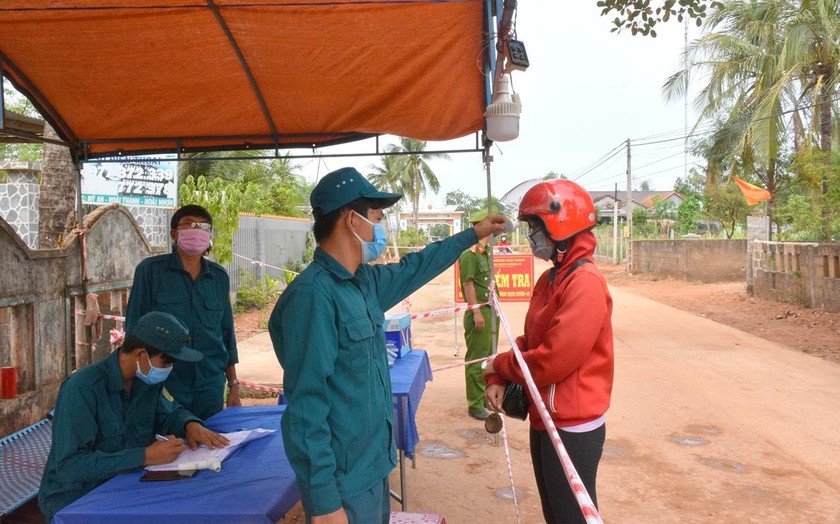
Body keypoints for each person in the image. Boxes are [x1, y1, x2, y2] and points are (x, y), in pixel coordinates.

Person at [269, 167, 505, 524]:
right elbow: (306, 407)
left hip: (373, 465)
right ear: (351, 221)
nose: (379, 230)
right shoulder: (313, 297)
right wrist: (322, 502)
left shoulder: (364, 283)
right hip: (343, 482)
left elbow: (418, 266)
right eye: (376, 218)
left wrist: (473, 233)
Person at [483, 179, 614, 524]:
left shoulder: (585, 283)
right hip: (544, 414)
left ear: (561, 227)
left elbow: (554, 359)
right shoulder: (552, 279)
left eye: (535, 228)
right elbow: (530, 341)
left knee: (572, 516)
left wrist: (499, 363)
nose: (531, 238)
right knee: (555, 514)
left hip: (573, 425)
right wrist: (498, 374)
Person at [38, 311, 230, 521]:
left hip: (128, 483)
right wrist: (145, 456)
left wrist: (190, 424)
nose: (169, 369)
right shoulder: (83, 389)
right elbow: (70, 467)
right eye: (166, 363)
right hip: (79, 498)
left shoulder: (147, 382)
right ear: (140, 355)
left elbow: (171, 411)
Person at [124, 204, 240, 420]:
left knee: (209, 447)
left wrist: (233, 384)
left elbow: (226, 334)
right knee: (169, 446)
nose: (197, 230)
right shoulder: (150, 271)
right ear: (174, 234)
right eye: (189, 224)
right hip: (166, 384)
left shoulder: (218, 277)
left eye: (203, 226)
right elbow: (133, 329)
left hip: (210, 385)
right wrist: (134, 381)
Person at [457, 209, 499, 421]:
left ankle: (484, 397)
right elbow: (468, 283)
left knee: (489, 358)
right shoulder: (469, 254)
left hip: (491, 310)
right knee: (477, 359)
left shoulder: (486, 252)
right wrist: (476, 312)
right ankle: (475, 404)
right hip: (480, 311)